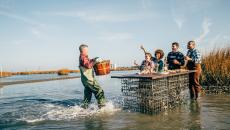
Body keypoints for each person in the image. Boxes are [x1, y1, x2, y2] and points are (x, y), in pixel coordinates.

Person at [78, 44, 105, 108]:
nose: (88, 51)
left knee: (88, 94)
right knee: (99, 91)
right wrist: (95, 60)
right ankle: (102, 107)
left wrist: (94, 59)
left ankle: (84, 108)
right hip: (89, 80)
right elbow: (88, 65)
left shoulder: (83, 57)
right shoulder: (83, 57)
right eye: (87, 49)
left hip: (85, 80)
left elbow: (89, 62)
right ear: (83, 50)